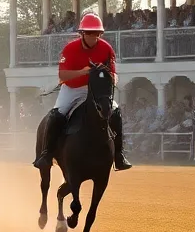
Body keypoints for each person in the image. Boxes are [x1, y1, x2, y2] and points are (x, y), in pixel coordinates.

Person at [32, 12, 132, 171]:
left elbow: (114, 77)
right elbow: (62, 75)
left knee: (116, 112)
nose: (94, 36)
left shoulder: (106, 48)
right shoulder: (70, 49)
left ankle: (119, 155)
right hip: (72, 88)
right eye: (90, 33)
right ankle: (46, 154)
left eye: (97, 33)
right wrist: (84, 72)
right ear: (82, 34)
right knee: (56, 114)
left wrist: (106, 72)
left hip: (96, 91)